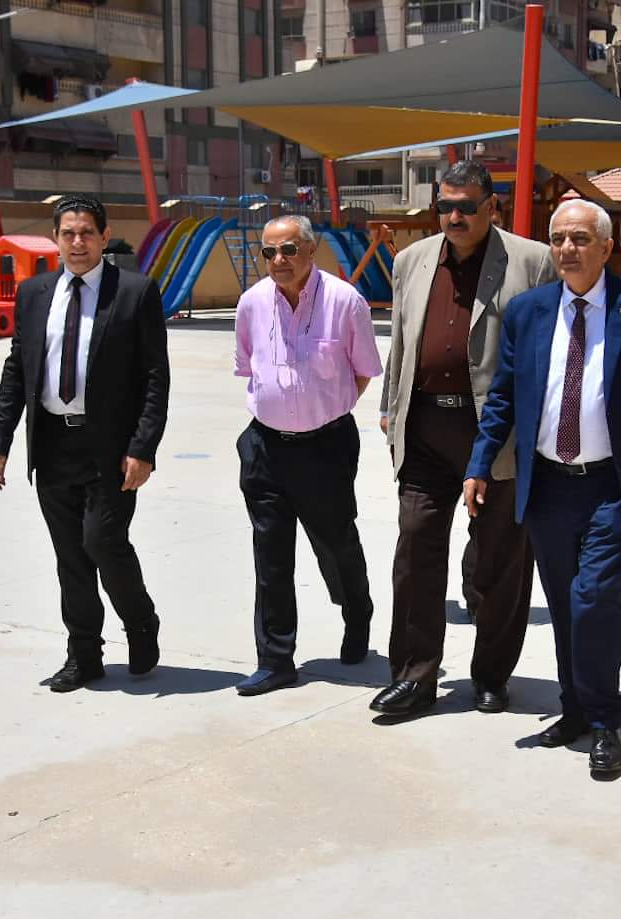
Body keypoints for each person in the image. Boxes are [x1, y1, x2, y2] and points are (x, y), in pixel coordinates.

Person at [463, 199, 621, 777]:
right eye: (558, 238)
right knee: (564, 604)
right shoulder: (528, 311)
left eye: (580, 238)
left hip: (611, 484)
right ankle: (575, 708)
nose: (567, 249)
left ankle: (606, 719)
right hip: (548, 486)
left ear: (607, 248)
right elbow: (503, 396)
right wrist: (479, 464)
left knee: (594, 599)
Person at [372, 160, 556, 717]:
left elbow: (547, 350)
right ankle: (415, 675)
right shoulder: (411, 260)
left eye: (466, 207)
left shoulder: (532, 261)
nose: (454, 217)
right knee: (415, 548)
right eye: (445, 207)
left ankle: (492, 674)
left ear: (491, 207)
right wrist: (390, 407)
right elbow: (402, 340)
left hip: (497, 434)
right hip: (426, 429)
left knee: (499, 561)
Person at [0, 194, 169, 692]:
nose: (78, 242)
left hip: (110, 448)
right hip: (52, 444)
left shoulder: (134, 292)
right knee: (70, 555)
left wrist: (143, 448)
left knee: (102, 541)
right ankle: (84, 655)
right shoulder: (34, 293)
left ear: (105, 237)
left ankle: (140, 621)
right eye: (68, 233)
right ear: (56, 239)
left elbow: (155, 377)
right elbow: (17, 370)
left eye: (87, 232)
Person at [232, 214, 381, 696]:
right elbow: (248, 367)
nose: (278, 260)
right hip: (265, 447)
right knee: (270, 555)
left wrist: (325, 410)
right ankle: (275, 659)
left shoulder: (345, 301)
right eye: (269, 252)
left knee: (336, 545)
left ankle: (357, 612)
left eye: (289, 249)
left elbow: (362, 371)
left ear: (311, 251)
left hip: (326, 448)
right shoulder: (252, 303)